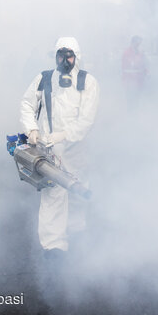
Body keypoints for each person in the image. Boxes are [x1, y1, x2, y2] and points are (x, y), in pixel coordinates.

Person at [20, 37, 100, 259]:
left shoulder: (88, 82)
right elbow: (27, 104)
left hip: (76, 147)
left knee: (76, 189)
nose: (65, 60)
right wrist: (32, 129)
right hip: (49, 149)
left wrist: (65, 135)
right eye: (61, 55)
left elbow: (86, 119)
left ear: (78, 57)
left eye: (70, 56)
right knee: (53, 193)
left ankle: (76, 231)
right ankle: (53, 246)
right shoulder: (44, 79)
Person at [121, 35, 148, 110]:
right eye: (137, 43)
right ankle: (131, 116)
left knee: (136, 100)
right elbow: (129, 66)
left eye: (139, 43)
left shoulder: (138, 52)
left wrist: (145, 71)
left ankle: (135, 116)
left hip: (138, 81)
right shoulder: (127, 53)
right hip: (129, 81)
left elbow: (142, 64)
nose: (139, 45)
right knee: (131, 101)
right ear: (133, 42)